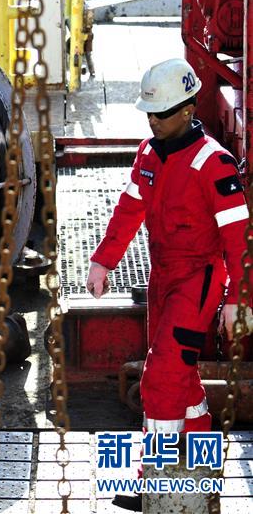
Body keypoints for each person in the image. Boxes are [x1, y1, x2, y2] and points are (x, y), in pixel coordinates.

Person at [85, 58, 249, 511]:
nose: (152, 121)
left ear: (188, 110)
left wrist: (238, 300)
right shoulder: (149, 154)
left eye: (160, 113)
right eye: (149, 114)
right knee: (185, 383)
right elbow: (129, 209)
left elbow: (240, 240)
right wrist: (102, 261)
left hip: (198, 282)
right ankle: (203, 471)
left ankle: (150, 479)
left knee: (159, 380)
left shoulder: (214, 164)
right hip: (163, 279)